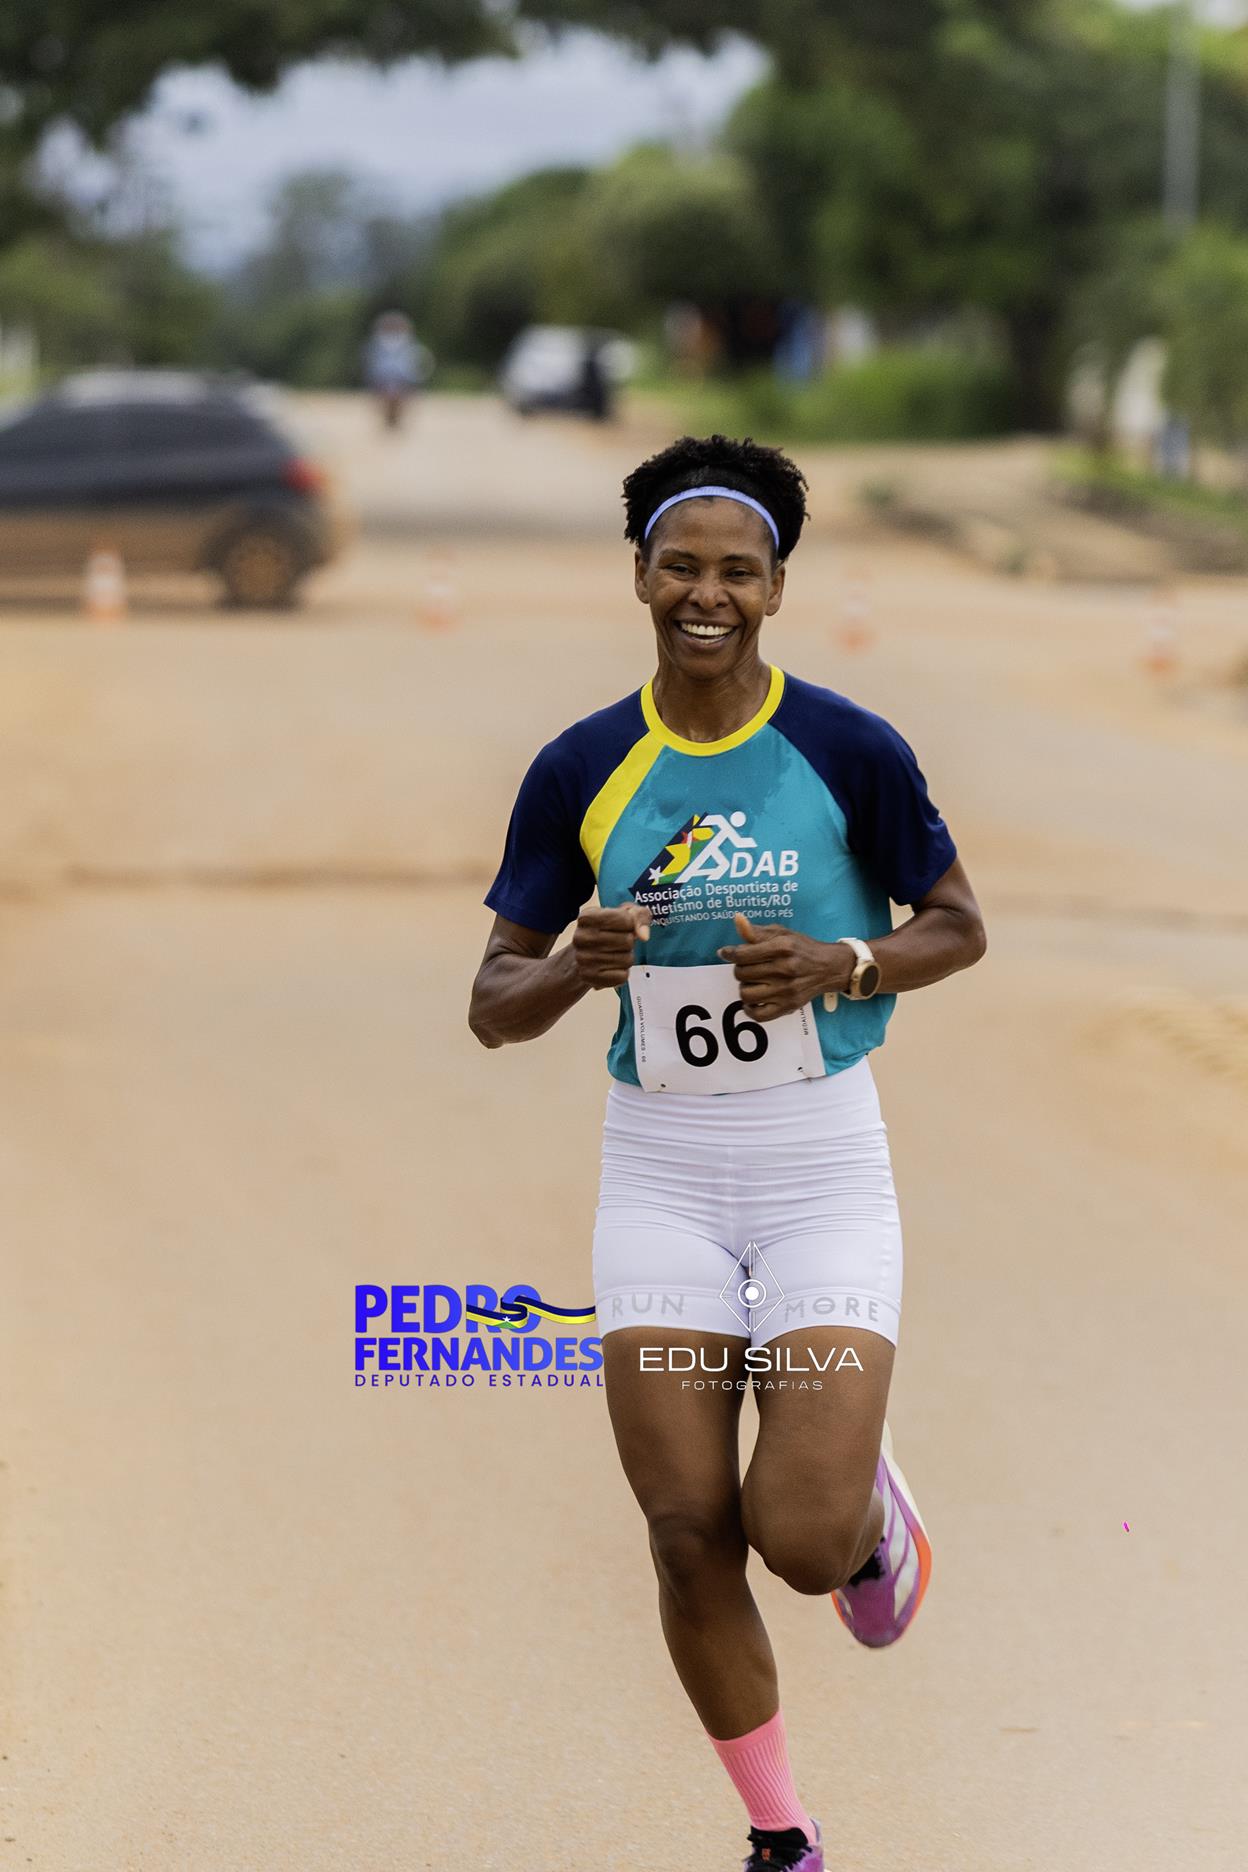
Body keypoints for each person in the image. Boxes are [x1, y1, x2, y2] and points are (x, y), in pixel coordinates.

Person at [468, 434, 986, 1871]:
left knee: (798, 1539)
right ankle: (782, 1836)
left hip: (819, 1167)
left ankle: (867, 1521)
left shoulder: (849, 748)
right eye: (681, 566)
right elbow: (492, 1005)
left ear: (776, 588)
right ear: (641, 577)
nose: (709, 594)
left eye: (738, 572)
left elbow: (958, 925)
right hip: (662, 1176)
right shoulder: (581, 765)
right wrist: (572, 969)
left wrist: (845, 960)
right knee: (688, 1532)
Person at [362, 310, 432, 431]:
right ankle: (392, 418)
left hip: (396, 377)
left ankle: (393, 418)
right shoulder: (381, 344)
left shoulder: (386, 343)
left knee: (395, 397)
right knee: (392, 396)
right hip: (390, 377)